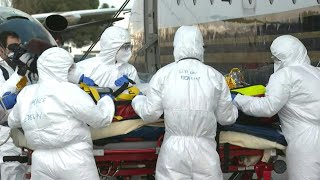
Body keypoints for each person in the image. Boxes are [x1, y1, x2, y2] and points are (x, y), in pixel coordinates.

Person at [131, 26, 238, 180]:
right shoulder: (215, 76)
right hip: (205, 153)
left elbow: (150, 114)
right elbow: (226, 118)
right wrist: (235, 107)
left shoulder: (163, 75)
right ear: (201, 47)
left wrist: (138, 100)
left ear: (176, 47)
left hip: (173, 152)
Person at [8, 47, 115, 180]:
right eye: (70, 68)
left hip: (40, 161)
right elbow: (100, 119)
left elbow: (12, 121)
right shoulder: (69, 91)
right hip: (74, 158)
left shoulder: (26, 94)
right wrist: (106, 100)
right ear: (61, 68)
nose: (71, 71)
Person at [233, 35, 320, 180]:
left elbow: (267, 108)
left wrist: (237, 99)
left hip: (305, 142)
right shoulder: (315, 72)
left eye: (275, 58)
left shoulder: (285, 75)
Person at [68, 26, 141, 90]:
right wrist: (79, 86)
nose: (129, 51)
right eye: (125, 47)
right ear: (112, 47)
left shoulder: (130, 70)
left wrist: (131, 86)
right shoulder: (82, 68)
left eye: (129, 46)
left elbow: (140, 95)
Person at [0, 31, 28, 180]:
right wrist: (19, 73)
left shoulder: (10, 68)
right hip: (4, 138)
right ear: (1, 50)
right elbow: (2, 96)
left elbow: (21, 86)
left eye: (19, 47)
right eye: (13, 48)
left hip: (17, 136)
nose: (16, 52)